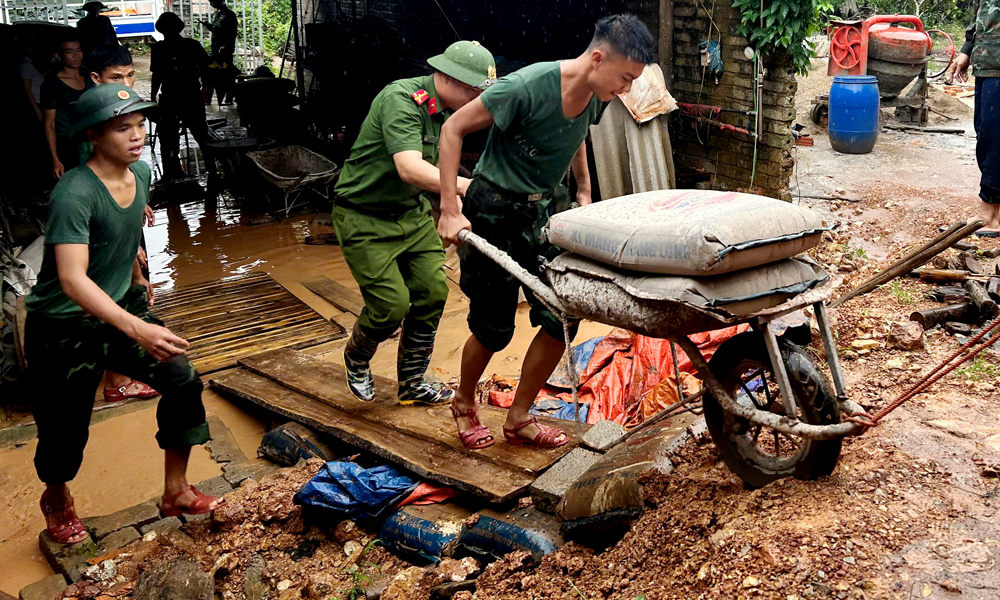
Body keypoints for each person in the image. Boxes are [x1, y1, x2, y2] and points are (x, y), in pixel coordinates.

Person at [437, 15, 652, 449]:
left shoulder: (598, 94)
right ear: (598, 58)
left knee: (562, 315)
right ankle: (463, 402)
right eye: (626, 78)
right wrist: (448, 210)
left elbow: (576, 135)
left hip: (545, 211)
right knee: (494, 327)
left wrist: (585, 190)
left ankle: (519, 416)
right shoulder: (526, 86)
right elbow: (451, 128)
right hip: (494, 208)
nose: (627, 89)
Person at [25, 83, 224, 545]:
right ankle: (57, 497)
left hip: (118, 308)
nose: (137, 136)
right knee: (64, 428)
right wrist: (138, 328)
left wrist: (136, 275)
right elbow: (72, 279)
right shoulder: (73, 194)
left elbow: (127, 228)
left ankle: (176, 490)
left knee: (181, 377)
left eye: (140, 124)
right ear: (92, 135)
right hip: (63, 327)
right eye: (122, 128)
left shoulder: (142, 171)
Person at [333, 41, 497, 406]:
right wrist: (466, 187)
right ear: (448, 78)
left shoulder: (448, 115)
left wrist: (450, 203)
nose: (478, 100)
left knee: (432, 293)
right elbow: (409, 167)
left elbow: (437, 167)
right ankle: (357, 356)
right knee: (391, 305)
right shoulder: (402, 100)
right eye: (474, 91)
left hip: (410, 213)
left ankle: (412, 383)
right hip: (364, 217)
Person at [87, 42, 160, 403]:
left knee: (132, 292)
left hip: (122, 223)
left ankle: (128, 361)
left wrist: (137, 201)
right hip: (104, 232)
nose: (127, 83)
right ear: (95, 78)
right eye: (117, 77)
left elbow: (125, 174)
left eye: (131, 75)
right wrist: (128, 247)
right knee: (111, 295)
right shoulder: (95, 123)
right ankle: (116, 380)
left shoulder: (122, 115)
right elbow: (101, 190)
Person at [950, 0, 1000, 237]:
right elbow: (981, 16)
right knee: (985, 134)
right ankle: (995, 213)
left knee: (994, 138)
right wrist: (967, 51)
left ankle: (989, 215)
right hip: (986, 66)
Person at [150, 12, 216, 181]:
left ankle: (212, 169)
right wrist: (153, 96)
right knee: (167, 136)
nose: (169, 29)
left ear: (178, 27)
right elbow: (157, 74)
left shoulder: (192, 45)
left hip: (191, 95)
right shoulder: (158, 49)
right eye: (166, 27)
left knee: (201, 133)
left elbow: (205, 69)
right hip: (169, 97)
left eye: (172, 25)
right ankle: (171, 171)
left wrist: (206, 88)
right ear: (161, 29)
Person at [41, 34, 94, 179]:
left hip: (92, 141)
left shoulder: (90, 77)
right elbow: (49, 124)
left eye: (79, 50)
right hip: (67, 145)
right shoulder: (52, 85)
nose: (76, 56)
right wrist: (55, 159)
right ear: (58, 56)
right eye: (69, 52)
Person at [201, 0, 238, 105]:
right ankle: (211, 97)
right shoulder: (217, 14)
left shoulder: (230, 15)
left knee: (227, 73)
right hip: (215, 49)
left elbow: (232, 33)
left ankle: (230, 96)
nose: (211, 4)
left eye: (212, 1)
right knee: (214, 73)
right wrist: (208, 26)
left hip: (225, 50)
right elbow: (216, 29)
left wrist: (226, 46)